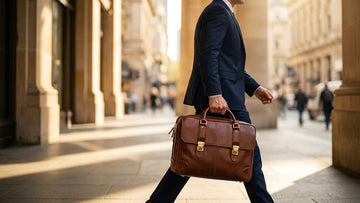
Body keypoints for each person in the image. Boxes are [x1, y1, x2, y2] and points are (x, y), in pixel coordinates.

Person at [146, 0, 274, 202]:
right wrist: (214, 93)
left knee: (190, 157)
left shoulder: (224, 11)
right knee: (249, 157)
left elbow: (230, 64)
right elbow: (208, 55)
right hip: (224, 100)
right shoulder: (218, 11)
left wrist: (255, 88)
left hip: (226, 97)